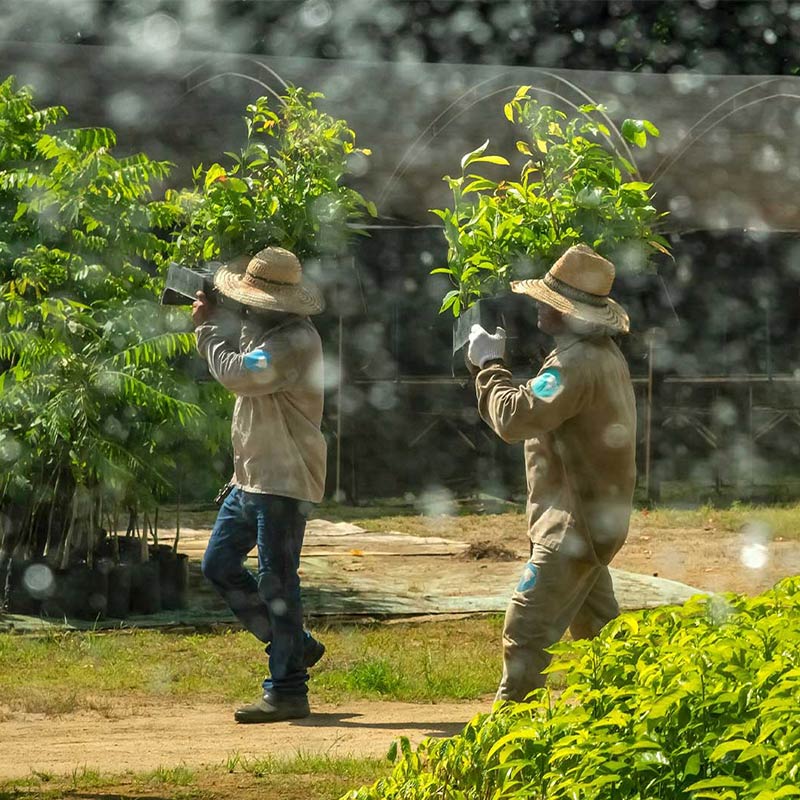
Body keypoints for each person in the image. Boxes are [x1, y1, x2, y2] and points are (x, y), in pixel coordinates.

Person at [466, 243, 637, 702]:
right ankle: (636, 724)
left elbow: (514, 418)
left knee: (525, 630)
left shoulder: (574, 364)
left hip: (572, 526)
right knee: (602, 637)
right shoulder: (599, 355)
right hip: (594, 520)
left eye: (551, 301)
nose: (539, 305)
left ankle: (509, 739)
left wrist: (488, 365)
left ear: (571, 313)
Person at [192, 245, 327, 723]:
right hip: (252, 478)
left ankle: (288, 688)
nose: (246, 307)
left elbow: (236, 376)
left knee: (277, 583)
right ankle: (295, 644)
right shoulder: (267, 333)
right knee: (219, 565)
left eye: (252, 301)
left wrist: (207, 328)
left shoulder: (293, 343)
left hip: (284, 481)